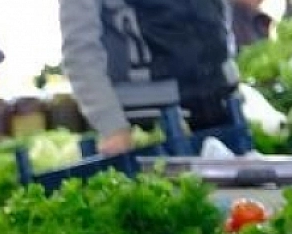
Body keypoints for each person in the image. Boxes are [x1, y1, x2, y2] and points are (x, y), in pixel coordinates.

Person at [60, 0, 239, 156]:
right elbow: (80, 53)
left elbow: (220, 20)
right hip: (152, 129)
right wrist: (112, 126)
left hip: (223, 112)